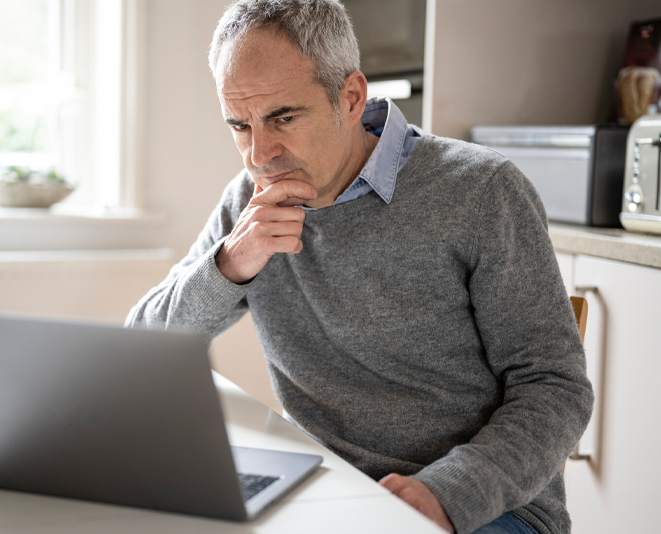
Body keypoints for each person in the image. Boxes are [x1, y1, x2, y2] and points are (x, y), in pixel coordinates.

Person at [125, 1, 593, 533]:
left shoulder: (480, 191)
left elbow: (556, 387)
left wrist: (445, 495)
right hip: (327, 495)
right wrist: (229, 264)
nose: (260, 154)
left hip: (482, 508)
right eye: (239, 124)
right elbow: (145, 345)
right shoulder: (247, 204)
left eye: (283, 117)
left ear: (350, 97)